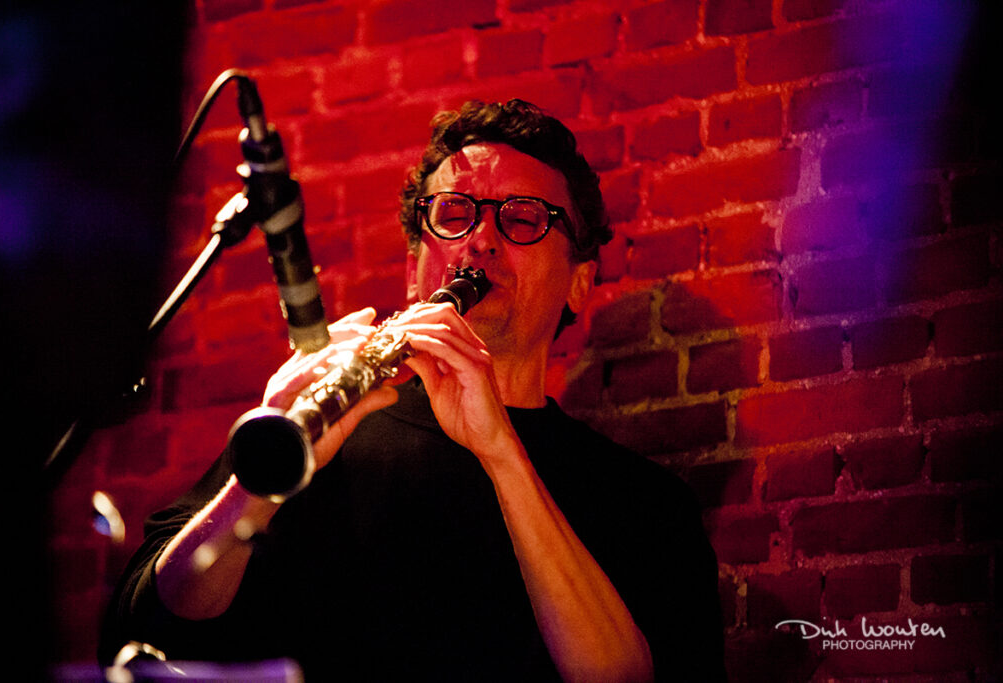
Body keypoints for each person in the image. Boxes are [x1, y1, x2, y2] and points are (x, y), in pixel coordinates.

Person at [101, 99, 727, 682]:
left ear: (579, 283)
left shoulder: (643, 503)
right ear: (412, 270)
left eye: (522, 219)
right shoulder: (326, 433)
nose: (480, 240)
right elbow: (144, 629)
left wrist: (502, 455)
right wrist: (255, 486)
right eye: (453, 214)